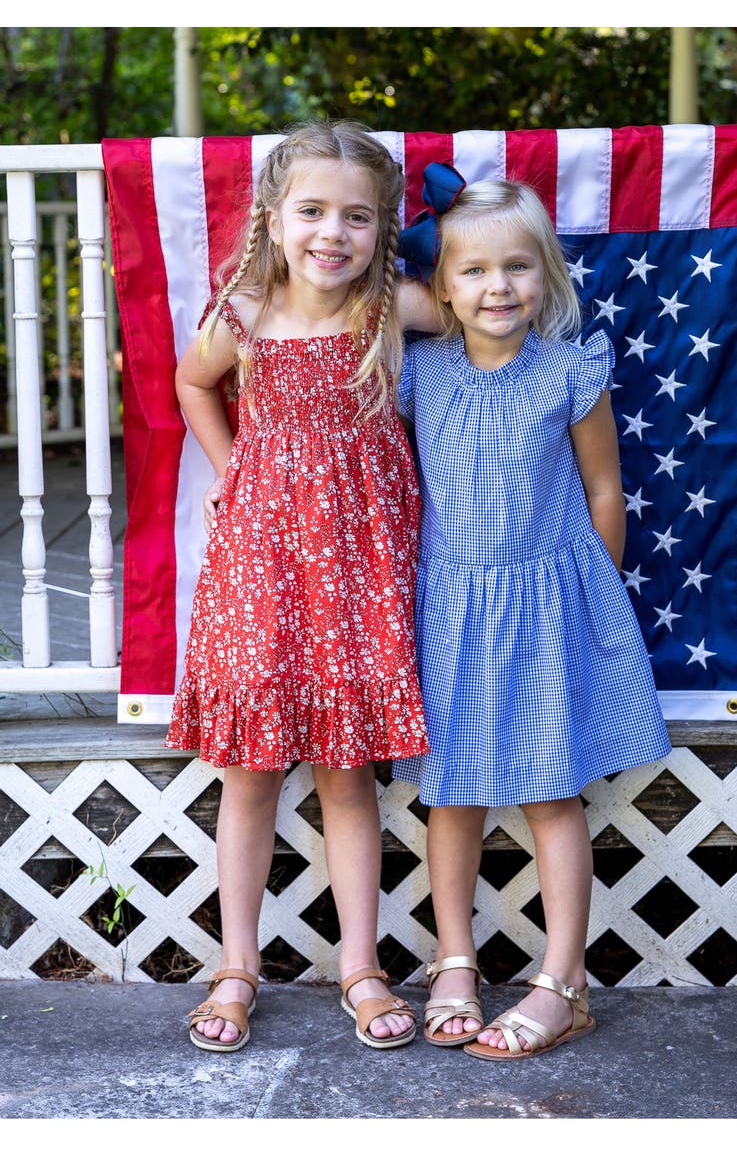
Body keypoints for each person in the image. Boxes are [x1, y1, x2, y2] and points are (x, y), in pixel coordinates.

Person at [165, 121, 439, 1053]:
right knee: (250, 777)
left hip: (361, 568)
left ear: (384, 228)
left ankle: (360, 964)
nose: (333, 233)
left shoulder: (394, 307)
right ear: (273, 219)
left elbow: (489, 315)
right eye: (313, 211)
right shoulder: (241, 315)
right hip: (264, 566)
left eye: (357, 216)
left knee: (347, 775)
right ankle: (235, 964)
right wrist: (234, 464)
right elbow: (190, 382)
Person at [393, 164, 672, 1060]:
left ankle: (562, 979)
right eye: (472, 270)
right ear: (440, 287)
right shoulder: (418, 372)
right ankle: (455, 960)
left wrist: (592, 601)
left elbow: (604, 493)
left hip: (548, 605)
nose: (497, 287)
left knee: (554, 794)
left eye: (517, 267)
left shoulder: (567, 372)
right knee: (455, 796)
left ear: (546, 277)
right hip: (451, 609)